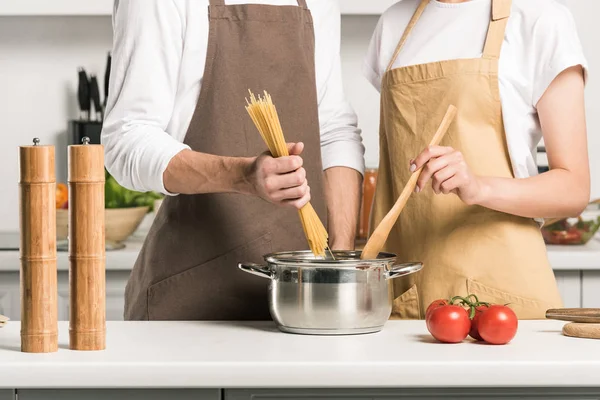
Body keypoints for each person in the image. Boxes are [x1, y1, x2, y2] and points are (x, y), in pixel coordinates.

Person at [102, 0, 365, 321]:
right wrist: (242, 176)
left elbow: (335, 129)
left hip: (303, 301)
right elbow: (127, 137)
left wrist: (336, 264)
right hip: (194, 300)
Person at [364, 0, 590, 319]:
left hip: (502, 302)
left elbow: (573, 188)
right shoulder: (393, 25)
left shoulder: (540, 20)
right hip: (408, 293)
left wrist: (478, 187)